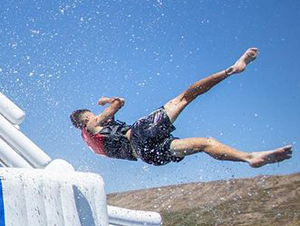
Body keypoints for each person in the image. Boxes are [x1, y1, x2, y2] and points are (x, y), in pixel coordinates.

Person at [70, 48, 293, 168]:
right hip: (139, 135)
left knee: (205, 144)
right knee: (185, 97)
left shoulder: (91, 144)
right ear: (85, 119)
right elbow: (119, 102)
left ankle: (249, 157)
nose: (95, 115)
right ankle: (232, 70)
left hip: (148, 155)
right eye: (92, 114)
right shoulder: (91, 124)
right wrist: (108, 100)